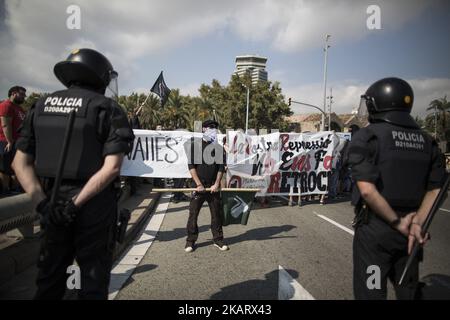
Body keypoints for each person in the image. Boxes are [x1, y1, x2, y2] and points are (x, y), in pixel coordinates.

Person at [12, 48, 135, 299]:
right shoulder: (108, 108)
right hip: (94, 205)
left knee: (49, 282)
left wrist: (44, 206)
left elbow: (19, 164)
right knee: (91, 282)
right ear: (101, 77)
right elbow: (112, 167)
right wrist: (75, 205)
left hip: (51, 201)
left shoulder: (40, 105)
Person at [348, 77, 446, 300]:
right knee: (407, 291)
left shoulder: (368, 136)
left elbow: (367, 190)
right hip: (412, 234)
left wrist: (396, 222)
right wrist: (416, 223)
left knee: (371, 291)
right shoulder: (427, 141)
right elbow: (436, 189)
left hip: (376, 233)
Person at [184, 119, 228, 253]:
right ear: (204, 129)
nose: (212, 130)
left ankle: (218, 239)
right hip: (198, 187)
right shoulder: (196, 146)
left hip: (213, 188)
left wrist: (216, 184)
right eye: (210, 127)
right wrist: (198, 184)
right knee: (193, 214)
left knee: (216, 214)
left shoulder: (219, 148)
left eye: (214, 128)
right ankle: (190, 241)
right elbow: (191, 167)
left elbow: (221, 168)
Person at [0, 86, 26, 195]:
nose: (24, 96)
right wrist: (9, 141)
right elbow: (5, 124)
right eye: (22, 94)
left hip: (17, 142)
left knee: (16, 166)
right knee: (5, 167)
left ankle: (16, 189)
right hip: (5, 141)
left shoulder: (19, 108)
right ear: (14, 93)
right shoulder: (6, 105)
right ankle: (5, 190)